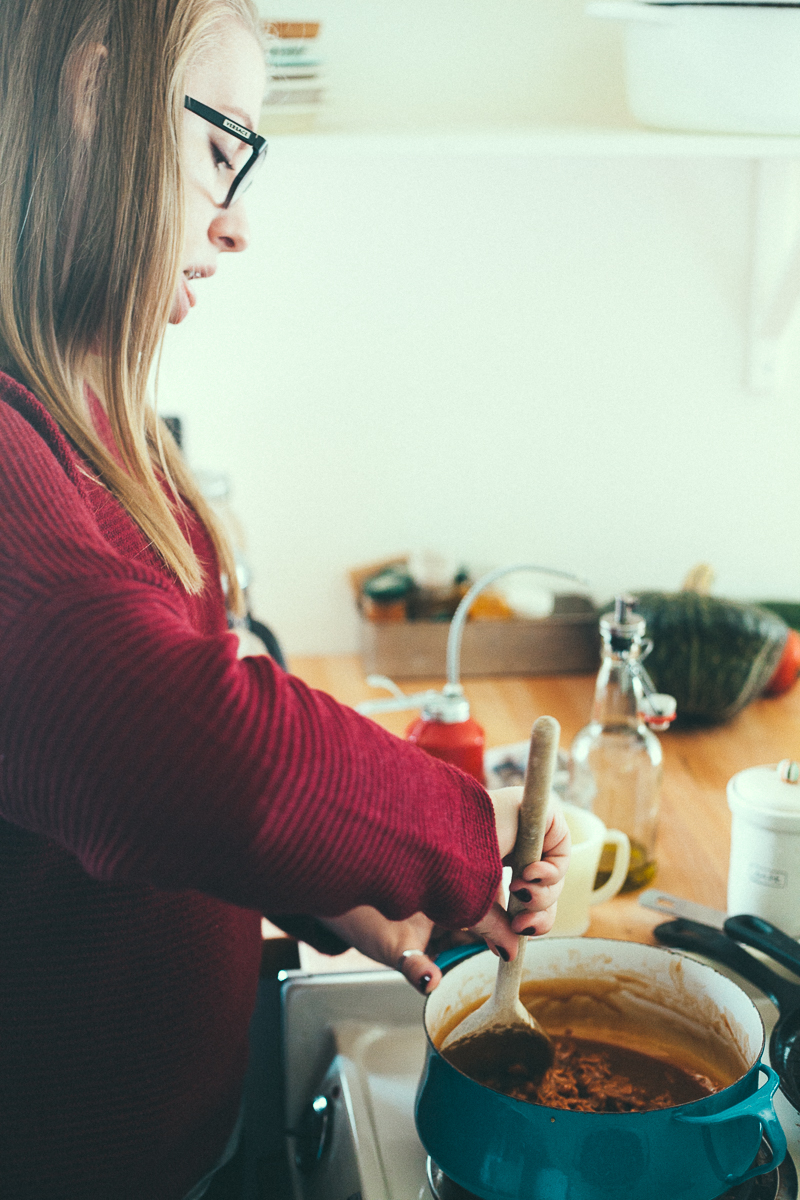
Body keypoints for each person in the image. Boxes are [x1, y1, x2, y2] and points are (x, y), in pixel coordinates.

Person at [0, 2, 570, 1198]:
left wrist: (336, 888)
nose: (236, 222)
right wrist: (457, 838)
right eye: (222, 148)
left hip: (179, 1128)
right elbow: (181, 745)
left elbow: (173, 799)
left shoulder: (85, 408)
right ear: (96, 96)